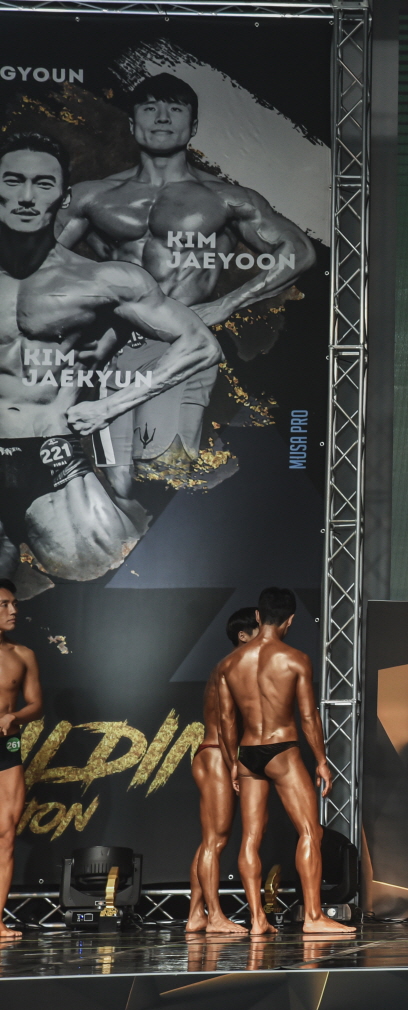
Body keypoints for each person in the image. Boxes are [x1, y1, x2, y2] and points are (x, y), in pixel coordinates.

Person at [55, 73, 315, 496]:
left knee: (162, 471)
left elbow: (299, 252)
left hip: (180, 345)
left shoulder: (224, 198)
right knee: (115, 480)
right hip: (109, 346)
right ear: (132, 122)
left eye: (174, 109)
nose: (162, 118)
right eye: (150, 108)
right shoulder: (90, 196)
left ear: (192, 126)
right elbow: (36, 263)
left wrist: (227, 304)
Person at [0, 131, 222, 583]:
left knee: (97, 571)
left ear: (64, 196)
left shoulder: (104, 280)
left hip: (50, 452)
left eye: (43, 183)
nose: (26, 196)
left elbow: (200, 345)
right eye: (13, 180)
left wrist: (111, 406)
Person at [215, 587, 353, 935]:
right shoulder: (295, 659)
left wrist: (233, 763)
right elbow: (308, 717)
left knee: (250, 839)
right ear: (290, 620)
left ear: (257, 616)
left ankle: (257, 920)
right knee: (309, 831)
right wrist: (321, 761)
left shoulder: (228, 664)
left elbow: (227, 721)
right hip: (282, 750)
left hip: (247, 753)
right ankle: (313, 917)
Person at [186, 606, 257, 934]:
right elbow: (227, 723)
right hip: (217, 754)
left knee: (210, 840)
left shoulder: (231, 666)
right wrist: (232, 764)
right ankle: (215, 916)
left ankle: (195, 914)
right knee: (217, 839)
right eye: (259, 630)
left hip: (215, 753)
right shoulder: (232, 666)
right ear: (243, 635)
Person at [0, 579, 40, 938]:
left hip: (7, 747)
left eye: (14, 604)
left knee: (6, 835)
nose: (13, 610)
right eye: (4, 604)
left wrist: (15, 716)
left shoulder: (23, 654)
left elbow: (36, 704)